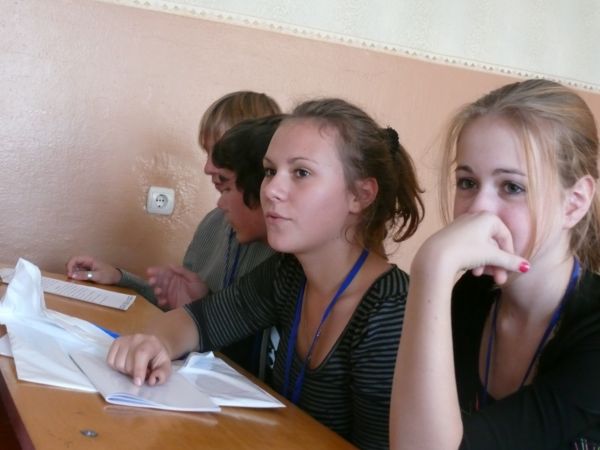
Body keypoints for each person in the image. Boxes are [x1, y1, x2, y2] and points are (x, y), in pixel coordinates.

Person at [106, 98, 425, 450]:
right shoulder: (289, 274)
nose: (271, 189)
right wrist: (156, 343)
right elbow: (201, 321)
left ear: (360, 195)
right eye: (270, 171)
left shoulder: (390, 311)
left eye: (301, 173)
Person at [390, 79, 600, 449]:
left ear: (574, 203)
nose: (478, 208)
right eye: (467, 182)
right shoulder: (473, 293)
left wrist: (430, 268)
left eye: (512, 187)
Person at [66, 91, 280, 308]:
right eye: (207, 153)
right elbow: (179, 304)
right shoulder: (213, 223)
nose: (207, 168)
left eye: (220, 154)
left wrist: (201, 306)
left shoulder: (283, 246)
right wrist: (120, 278)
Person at [157, 114, 284, 378]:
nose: (275, 191)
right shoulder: (282, 272)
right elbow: (207, 322)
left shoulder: (376, 302)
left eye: (226, 188)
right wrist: (200, 304)